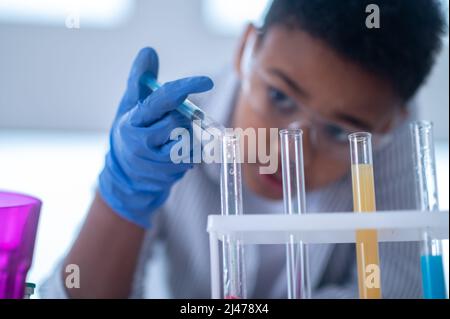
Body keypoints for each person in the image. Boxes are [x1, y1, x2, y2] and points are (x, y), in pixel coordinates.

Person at [40, 0, 446, 298]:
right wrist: (120, 195)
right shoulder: (167, 135)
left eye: (340, 133)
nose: (291, 153)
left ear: (394, 121)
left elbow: (404, 288)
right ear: (246, 47)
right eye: (279, 96)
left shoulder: (385, 142)